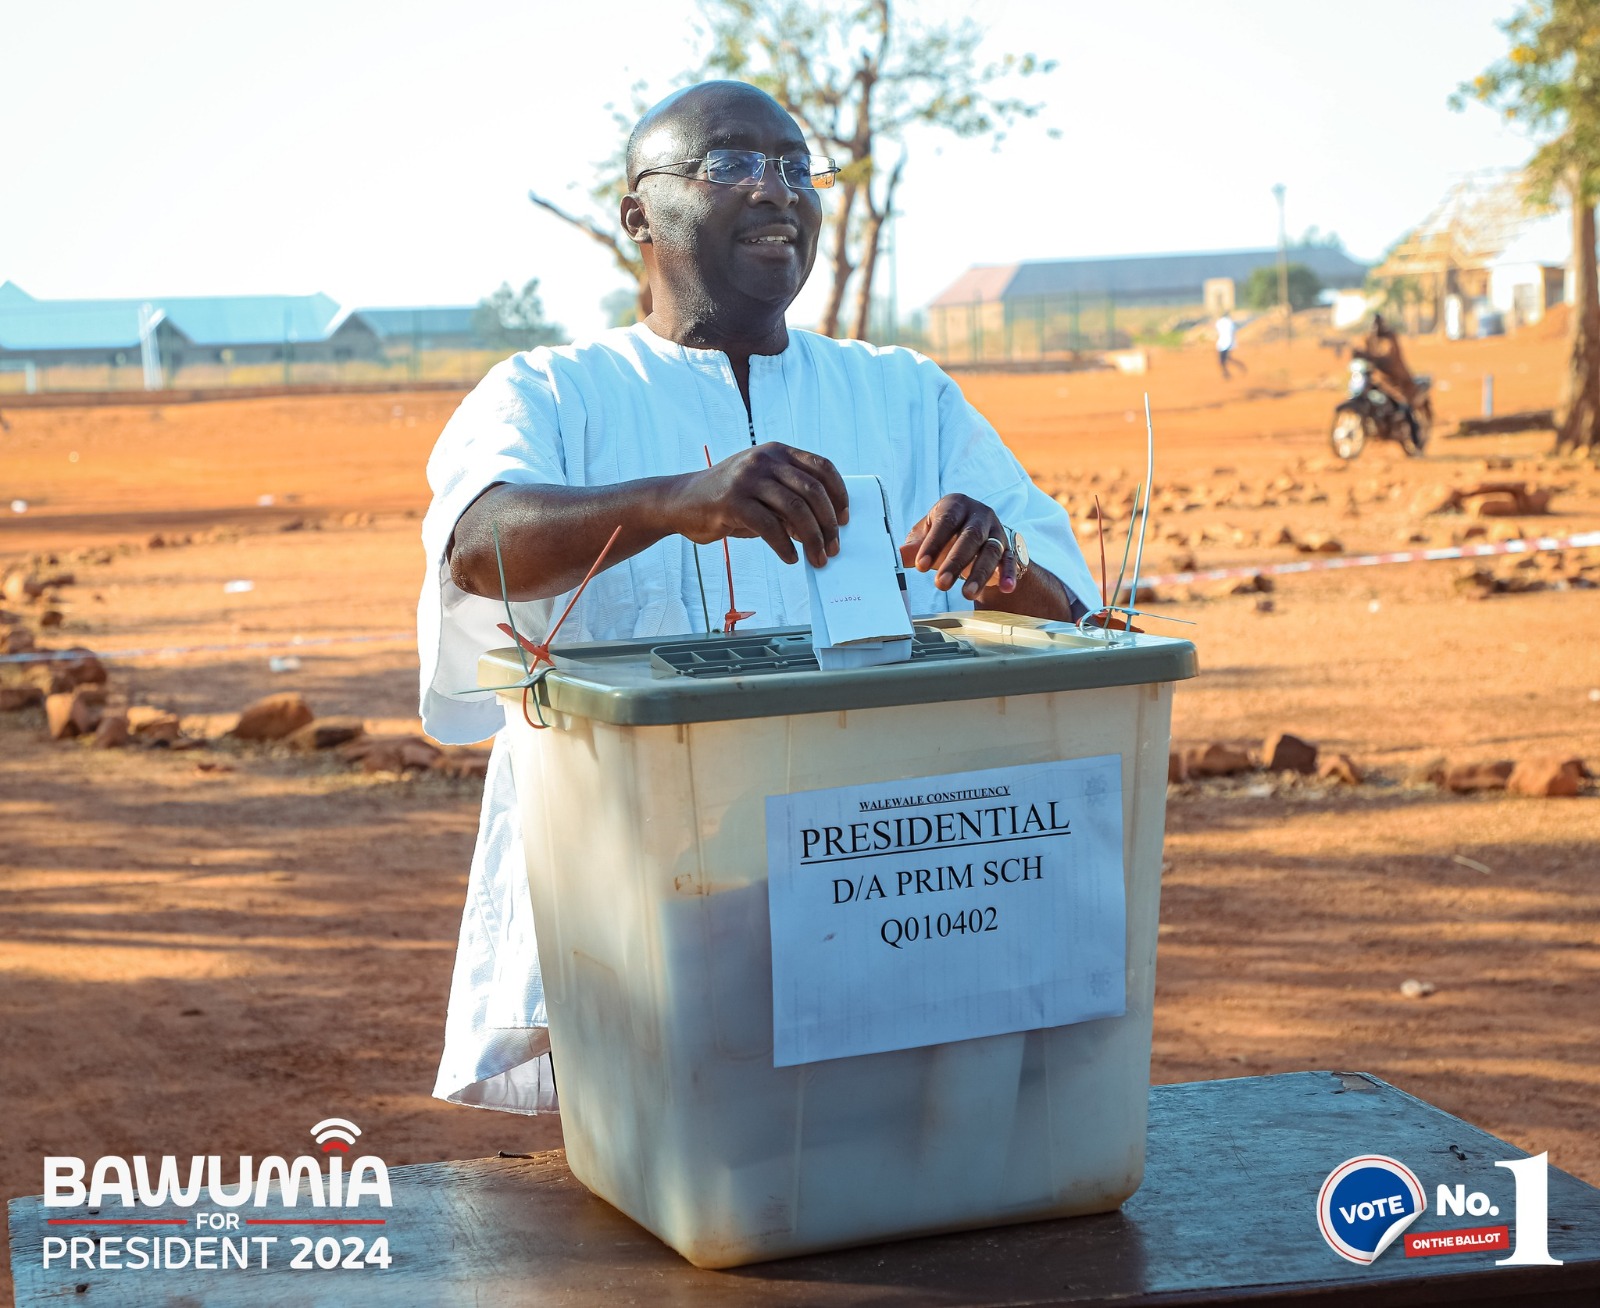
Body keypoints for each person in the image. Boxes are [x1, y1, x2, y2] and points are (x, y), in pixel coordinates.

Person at [416, 80, 1101, 1115]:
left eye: (795, 167)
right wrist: (673, 502)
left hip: (887, 883)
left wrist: (1001, 563)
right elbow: (479, 546)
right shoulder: (550, 393)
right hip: (640, 897)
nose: (778, 192)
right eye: (731, 165)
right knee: (672, 1214)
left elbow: (1070, 615)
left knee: (901, 1191)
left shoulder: (902, 393)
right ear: (637, 214)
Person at [1352, 312, 1420, 437]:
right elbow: (1362, 350)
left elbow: (1388, 355)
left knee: (1403, 404)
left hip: (1397, 380)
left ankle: (1415, 436)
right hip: (1378, 379)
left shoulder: (1390, 338)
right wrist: (1357, 353)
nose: (1375, 329)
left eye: (1378, 325)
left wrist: (1370, 357)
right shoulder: (1369, 338)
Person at [1214, 310, 1244, 378]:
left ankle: (1227, 372)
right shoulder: (1230, 322)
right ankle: (1227, 372)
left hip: (1222, 342)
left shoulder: (1219, 322)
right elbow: (1234, 331)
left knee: (1223, 359)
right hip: (1228, 342)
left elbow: (1218, 332)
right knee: (1225, 359)